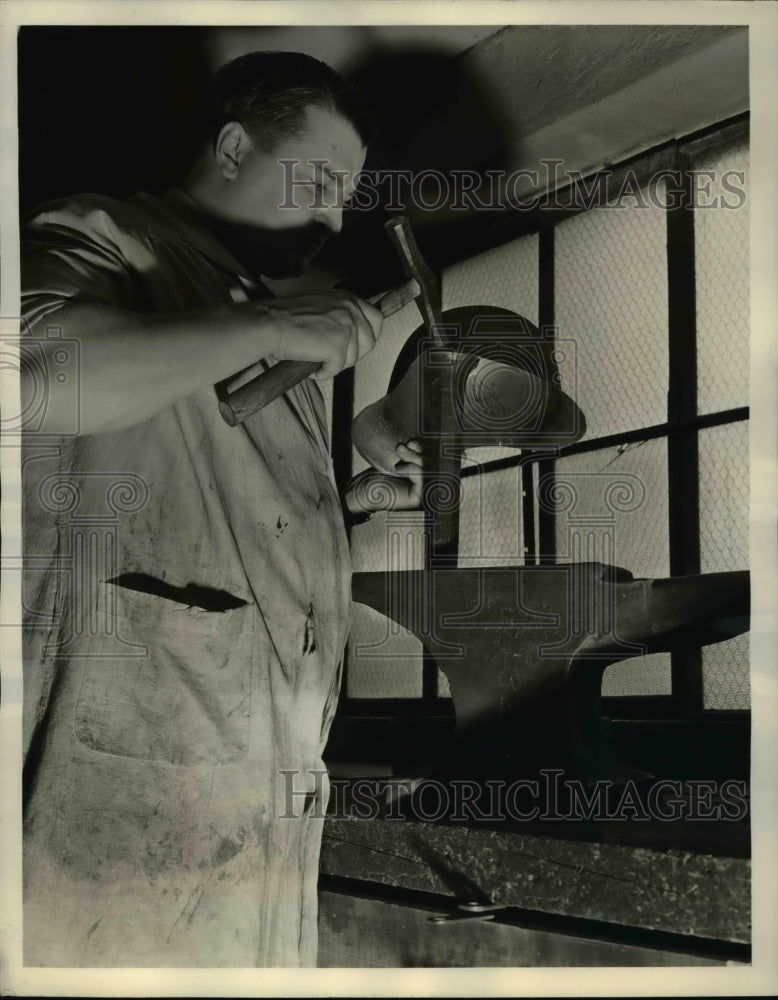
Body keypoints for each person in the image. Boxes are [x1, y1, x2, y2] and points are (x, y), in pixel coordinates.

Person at [20, 50, 422, 968]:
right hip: (107, 819)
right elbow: (32, 376)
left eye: (346, 198)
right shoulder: (105, 236)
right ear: (235, 145)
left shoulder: (254, 314)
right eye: (320, 182)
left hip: (258, 822)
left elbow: (222, 548)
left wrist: (357, 494)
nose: (332, 217)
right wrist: (271, 327)